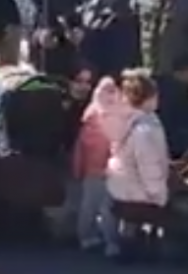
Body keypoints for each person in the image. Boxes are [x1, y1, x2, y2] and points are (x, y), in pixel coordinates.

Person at [105, 69, 171, 262]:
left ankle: (125, 246)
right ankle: (141, 251)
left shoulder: (125, 121)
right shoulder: (146, 128)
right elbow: (148, 164)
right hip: (139, 188)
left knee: (129, 219)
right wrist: (158, 192)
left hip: (121, 185)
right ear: (149, 98)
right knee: (151, 211)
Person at [72, 77, 133, 253]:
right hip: (111, 172)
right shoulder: (121, 120)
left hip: (91, 172)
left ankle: (86, 237)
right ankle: (111, 243)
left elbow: (79, 150)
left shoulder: (88, 120)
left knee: (88, 206)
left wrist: (77, 171)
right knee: (109, 209)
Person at [76, 0, 140, 80]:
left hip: (108, 82)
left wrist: (84, 40)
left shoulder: (125, 17)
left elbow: (117, 58)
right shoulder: (91, 6)